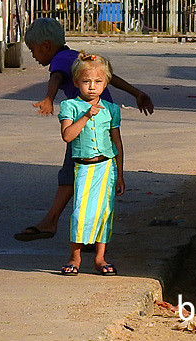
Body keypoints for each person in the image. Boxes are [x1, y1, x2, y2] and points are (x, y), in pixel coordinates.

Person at [13, 17, 154, 242]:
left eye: (33, 50)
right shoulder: (77, 56)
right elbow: (109, 76)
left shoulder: (60, 59)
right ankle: (85, 232)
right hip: (104, 119)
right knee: (85, 174)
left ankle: (61, 226)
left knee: (74, 172)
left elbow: (56, 77)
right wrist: (136, 92)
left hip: (89, 123)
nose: (33, 55)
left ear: (46, 46)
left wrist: (49, 98)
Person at [58, 53, 124, 275]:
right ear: (76, 82)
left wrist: (121, 175)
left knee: (105, 212)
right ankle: (75, 257)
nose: (92, 87)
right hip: (83, 168)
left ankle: (100, 258)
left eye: (98, 82)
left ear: (106, 83)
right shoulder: (70, 106)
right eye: (86, 82)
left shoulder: (111, 109)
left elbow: (117, 142)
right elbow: (68, 136)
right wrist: (86, 116)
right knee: (80, 213)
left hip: (106, 167)